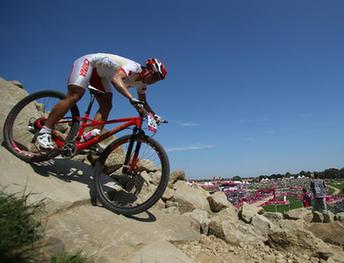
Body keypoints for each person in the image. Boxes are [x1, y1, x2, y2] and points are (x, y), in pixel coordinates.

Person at [35, 53, 167, 149]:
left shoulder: (142, 85)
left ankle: (88, 139)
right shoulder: (134, 68)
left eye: (158, 80)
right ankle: (45, 130)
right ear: (148, 70)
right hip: (89, 63)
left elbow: (144, 103)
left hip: (101, 76)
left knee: (107, 105)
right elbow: (116, 79)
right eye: (155, 77)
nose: (154, 81)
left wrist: (154, 116)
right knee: (75, 95)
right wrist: (131, 98)